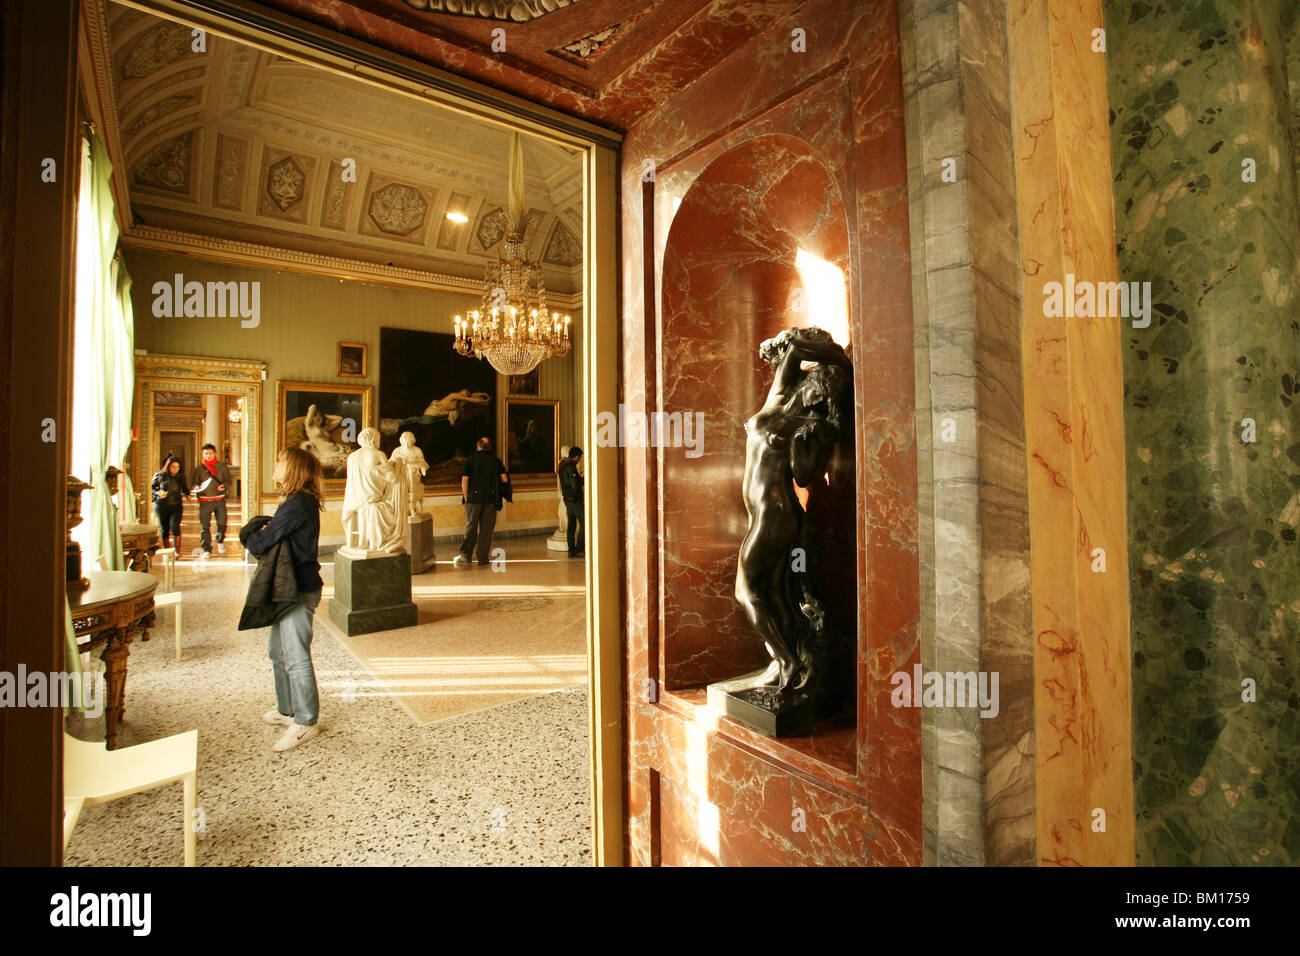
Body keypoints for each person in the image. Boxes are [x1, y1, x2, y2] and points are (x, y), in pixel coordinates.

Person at [242, 447, 326, 752]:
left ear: (292, 468)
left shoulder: (299, 503)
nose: (275, 466)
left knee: (295, 655)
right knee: (277, 651)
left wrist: (251, 534)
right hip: (286, 587)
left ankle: (306, 721)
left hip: (298, 589)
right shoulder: (294, 502)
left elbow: (261, 543)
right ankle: (286, 709)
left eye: (280, 462)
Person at [454, 436, 508, 566]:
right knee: (486, 530)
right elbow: (504, 479)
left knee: (471, 527)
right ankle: (482, 558)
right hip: (490, 499)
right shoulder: (496, 461)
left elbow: (465, 480)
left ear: (478, 445)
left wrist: (466, 497)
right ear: (489, 447)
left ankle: (466, 556)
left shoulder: (470, 460)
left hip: (474, 499)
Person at [190, 443, 233, 558]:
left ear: (215, 453)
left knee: (222, 522)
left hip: (219, 500)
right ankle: (206, 549)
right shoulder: (199, 469)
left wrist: (224, 486)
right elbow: (194, 483)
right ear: (202, 455)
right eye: (206, 454)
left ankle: (220, 540)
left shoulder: (222, 467)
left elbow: (229, 481)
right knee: (205, 526)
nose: (208, 456)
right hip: (205, 500)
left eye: (210, 453)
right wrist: (195, 488)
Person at [151, 454, 189, 554]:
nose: (175, 469)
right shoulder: (160, 475)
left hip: (176, 504)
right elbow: (153, 488)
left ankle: (177, 551)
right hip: (162, 505)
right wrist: (158, 493)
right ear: (168, 466)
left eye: (177, 467)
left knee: (175, 526)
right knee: (165, 528)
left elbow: (185, 488)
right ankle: (167, 551)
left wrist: (188, 495)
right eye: (173, 466)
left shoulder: (180, 476)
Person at [556, 446, 584, 558]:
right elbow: (574, 485)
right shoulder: (571, 467)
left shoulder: (562, 466)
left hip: (567, 499)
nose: (579, 460)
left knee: (571, 524)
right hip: (575, 500)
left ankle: (571, 549)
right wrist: (582, 478)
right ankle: (579, 548)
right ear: (576, 457)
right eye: (579, 458)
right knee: (584, 522)